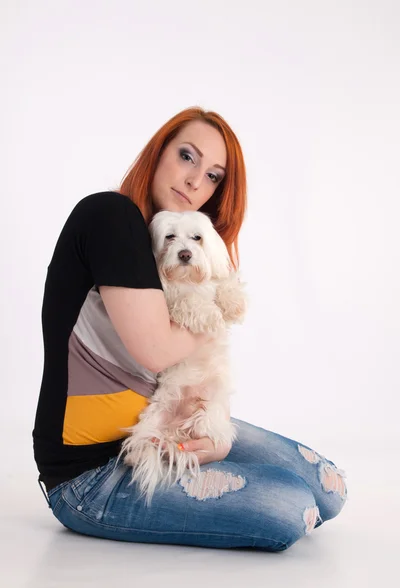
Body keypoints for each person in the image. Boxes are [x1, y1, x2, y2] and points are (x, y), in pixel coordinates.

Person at [33, 106, 347, 552]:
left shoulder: (161, 247)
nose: (196, 181)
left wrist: (211, 438)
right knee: (292, 504)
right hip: (88, 478)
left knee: (329, 488)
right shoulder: (111, 217)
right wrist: (220, 303)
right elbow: (159, 351)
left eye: (214, 176)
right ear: (159, 152)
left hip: (163, 424)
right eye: (187, 156)